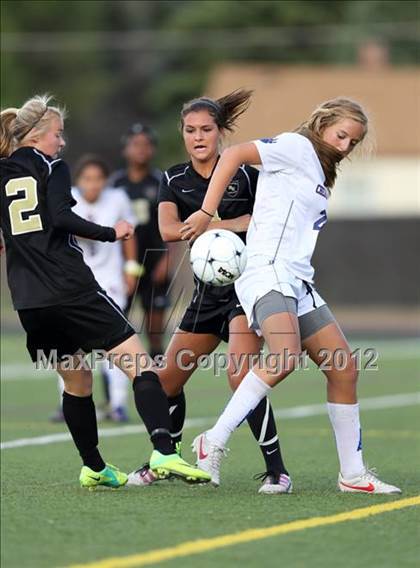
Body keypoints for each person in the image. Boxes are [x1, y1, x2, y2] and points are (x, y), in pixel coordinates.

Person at [182, 97, 401, 494]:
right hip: (267, 272)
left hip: (296, 281)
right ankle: (212, 439)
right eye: (341, 135)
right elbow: (232, 155)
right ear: (321, 124)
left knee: (343, 368)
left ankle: (352, 475)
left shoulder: (319, 168)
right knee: (284, 357)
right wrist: (206, 212)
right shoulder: (297, 146)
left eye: (353, 141)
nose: (346, 146)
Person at [0, 94, 210, 488]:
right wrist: (111, 232)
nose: (61, 143)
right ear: (36, 136)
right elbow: (61, 216)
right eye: (57, 135)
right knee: (141, 365)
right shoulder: (52, 167)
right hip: (70, 288)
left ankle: (95, 468)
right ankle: (165, 451)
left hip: (29, 300)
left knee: (76, 383)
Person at [127, 90, 292, 494]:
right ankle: (169, 458)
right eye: (190, 130)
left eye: (206, 129)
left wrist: (213, 225)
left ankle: (277, 470)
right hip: (205, 298)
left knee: (241, 378)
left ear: (220, 133)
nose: (198, 137)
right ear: (182, 134)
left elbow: (263, 221)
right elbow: (168, 230)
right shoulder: (173, 179)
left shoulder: (246, 174)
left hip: (246, 293)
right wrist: (217, 225)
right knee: (165, 380)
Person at [51, 154, 142, 424]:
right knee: (69, 349)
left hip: (110, 281)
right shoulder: (65, 198)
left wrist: (132, 269)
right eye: (87, 179)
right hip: (75, 283)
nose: (93, 184)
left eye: (98, 178)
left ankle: (117, 404)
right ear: (78, 181)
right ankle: (66, 404)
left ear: (106, 180)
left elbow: (128, 235)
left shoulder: (117, 198)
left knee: (113, 347)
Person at [109, 124, 171, 359]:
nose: (141, 150)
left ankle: (162, 384)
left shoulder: (161, 181)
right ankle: (113, 391)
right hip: (123, 266)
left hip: (155, 261)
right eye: (136, 144)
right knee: (115, 328)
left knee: (156, 330)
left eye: (146, 144)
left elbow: (173, 223)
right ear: (125, 149)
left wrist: (167, 258)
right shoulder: (115, 185)